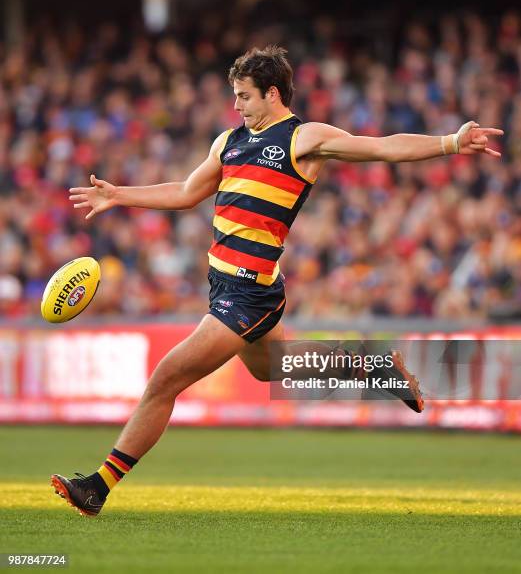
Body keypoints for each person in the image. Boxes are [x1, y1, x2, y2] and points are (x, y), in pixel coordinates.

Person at [51, 46, 503, 516]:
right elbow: (187, 193)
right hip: (229, 287)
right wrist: (119, 194)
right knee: (274, 370)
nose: (237, 105)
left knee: (165, 380)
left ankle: (98, 486)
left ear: (272, 93)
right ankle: (372, 368)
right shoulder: (228, 142)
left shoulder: (302, 138)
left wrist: (452, 141)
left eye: (244, 96)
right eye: (234, 96)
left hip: (247, 293)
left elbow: (381, 146)